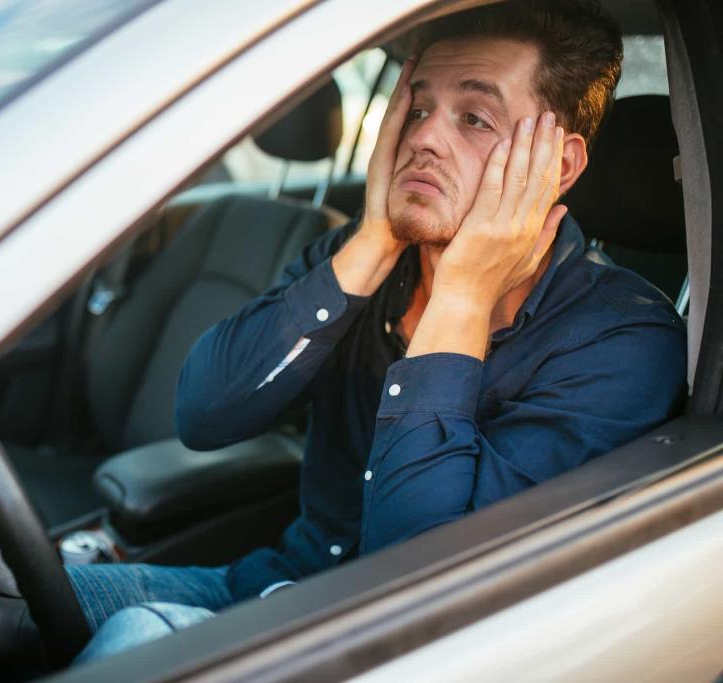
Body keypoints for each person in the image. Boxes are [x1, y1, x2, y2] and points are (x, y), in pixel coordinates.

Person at [66, 0, 687, 662]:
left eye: (474, 118)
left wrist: (462, 295)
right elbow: (201, 412)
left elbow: (420, 581)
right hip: (266, 587)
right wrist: (369, 240)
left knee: (133, 643)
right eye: (417, 109)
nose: (423, 138)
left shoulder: (625, 343)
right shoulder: (365, 259)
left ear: (557, 167)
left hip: (379, 647)